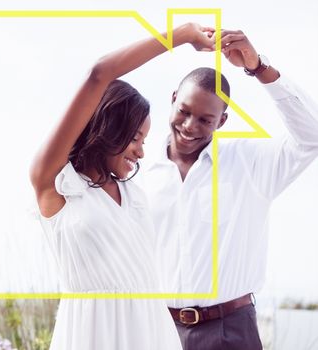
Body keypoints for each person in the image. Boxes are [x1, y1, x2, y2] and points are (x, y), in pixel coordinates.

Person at [30, 22, 216, 350]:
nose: (141, 151)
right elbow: (100, 74)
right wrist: (183, 34)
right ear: (107, 128)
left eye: (144, 140)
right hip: (90, 335)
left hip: (150, 331)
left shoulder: (132, 193)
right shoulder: (57, 185)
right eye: (134, 138)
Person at [139, 29, 318, 349]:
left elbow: (311, 136)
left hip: (231, 331)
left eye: (205, 119)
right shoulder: (138, 172)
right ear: (172, 100)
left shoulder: (251, 164)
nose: (190, 126)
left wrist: (259, 68)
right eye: (184, 111)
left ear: (222, 121)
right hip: (157, 331)